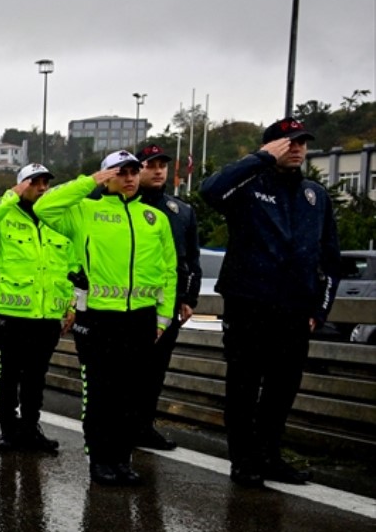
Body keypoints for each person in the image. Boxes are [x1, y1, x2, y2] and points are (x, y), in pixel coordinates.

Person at [203, 118, 339, 486]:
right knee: (244, 386)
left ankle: (269, 455)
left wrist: (318, 309)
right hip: (249, 305)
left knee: (283, 388)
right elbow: (211, 191)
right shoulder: (248, 185)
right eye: (287, 142)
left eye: (301, 143)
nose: (296, 148)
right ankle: (244, 460)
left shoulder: (315, 196)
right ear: (270, 147)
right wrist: (259, 158)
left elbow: (329, 257)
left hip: (295, 311)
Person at [34, 150, 176, 487]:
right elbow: (44, 206)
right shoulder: (85, 211)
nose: (128, 177)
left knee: (131, 395)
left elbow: (169, 270)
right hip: (98, 318)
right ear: (107, 176)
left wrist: (163, 318)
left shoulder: (154, 217)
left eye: (132, 171)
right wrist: (91, 181)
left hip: (140, 319)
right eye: (120, 172)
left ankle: (122, 460)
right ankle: (101, 461)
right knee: (102, 394)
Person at [0, 163, 75, 453]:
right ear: (21, 184)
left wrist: (70, 306)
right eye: (34, 182)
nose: (41, 188)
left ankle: (30, 429)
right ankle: (7, 430)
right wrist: (10, 196)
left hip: (47, 314)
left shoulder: (57, 220)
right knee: (10, 374)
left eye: (45, 183)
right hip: (11, 315)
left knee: (36, 378)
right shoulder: (5, 214)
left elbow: (68, 268)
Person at [133, 142, 202, 451]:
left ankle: (144, 426)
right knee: (126, 371)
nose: (158, 170)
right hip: (129, 304)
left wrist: (189, 298)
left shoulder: (181, 211)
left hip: (166, 304)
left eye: (162, 164)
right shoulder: (123, 206)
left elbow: (190, 260)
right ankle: (120, 426)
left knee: (155, 370)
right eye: (150, 165)